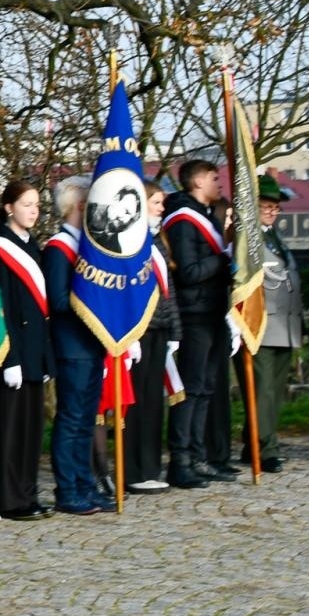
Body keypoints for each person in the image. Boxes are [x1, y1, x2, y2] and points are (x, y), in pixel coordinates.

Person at [161, 159, 236, 487]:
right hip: (194, 314)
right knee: (190, 389)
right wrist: (223, 258)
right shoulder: (183, 220)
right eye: (214, 178)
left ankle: (198, 455)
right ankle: (180, 460)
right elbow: (188, 272)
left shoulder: (206, 216)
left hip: (212, 311)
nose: (219, 183)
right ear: (198, 181)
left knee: (206, 388)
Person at [0, 181, 54, 520]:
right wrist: (9, 358)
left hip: (35, 350)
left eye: (37, 205)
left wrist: (45, 357)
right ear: (9, 207)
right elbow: (2, 308)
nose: (33, 211)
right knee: (11, 429)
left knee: (31, 429)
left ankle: (29, 493)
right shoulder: (0, 248)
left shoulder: (32, 245)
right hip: (13, 351)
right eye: (27, 204)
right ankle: (12, 500)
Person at [43, 175, 109, 515]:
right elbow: (56, 300)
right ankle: (67, 489)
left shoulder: (87, 247)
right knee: (71, 419)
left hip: (91, 343)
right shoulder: (59, 248)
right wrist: (94, 304)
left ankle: (85, 484)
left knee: (86, 419)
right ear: (80, 206)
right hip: (72, 345)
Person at [236, 174, 301, 473]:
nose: (273, 212)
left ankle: (253, 443)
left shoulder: (274, 237)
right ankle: (266, 448)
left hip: (285, 327)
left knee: (273, 391)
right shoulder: (247, 239)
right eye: (266, 206)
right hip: (260, 324)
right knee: (263, 392)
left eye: (276, 207)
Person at [126, 180, 181, 492]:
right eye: (156, 202)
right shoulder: (131, 240)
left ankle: (150, 467)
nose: (162, 208)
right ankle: (133, 470)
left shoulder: (158, 239)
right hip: (140, 331)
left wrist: (175, 331)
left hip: (160, 328)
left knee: (152, 403)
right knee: (136, 402)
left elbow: (168, 291)